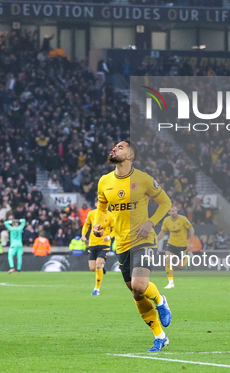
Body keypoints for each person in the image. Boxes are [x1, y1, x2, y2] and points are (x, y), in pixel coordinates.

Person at [92, 141, 172, 352]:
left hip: (144, 240)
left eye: (120, 147)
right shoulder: (104, 181)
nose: (114, 149)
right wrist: (98, 226)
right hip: (122, 243)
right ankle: (160, 336)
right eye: (113, 147)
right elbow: (101, 209)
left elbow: (166, 203)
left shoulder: (143, 179)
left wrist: (150, 222)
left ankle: (161, 299)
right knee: (136, 293)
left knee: (139, 285)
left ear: (130, 155)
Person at [81, 197, 114, 295]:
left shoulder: (110, 215)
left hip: (104, 244)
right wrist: (83, 235)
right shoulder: (91, 214)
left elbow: (115, 230)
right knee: (92, 268)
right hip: (93, 243)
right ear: (96, 204)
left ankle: (97, 289)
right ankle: (102, 267)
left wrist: (108, 237)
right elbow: (86, 224)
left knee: (98, 265)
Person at [156, 206, 194, 289]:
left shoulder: (183, 219)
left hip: (182, 245)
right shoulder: (166, 221)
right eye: (172, 211)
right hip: (171, 244)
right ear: (168, 212)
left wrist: (190, 242)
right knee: (168, 260)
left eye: (175, 210)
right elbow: (163, 232)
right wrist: (156, 240)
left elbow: (191, 229)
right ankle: (170, 283)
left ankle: (188, 257)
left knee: (179, 266)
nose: (174, 212)